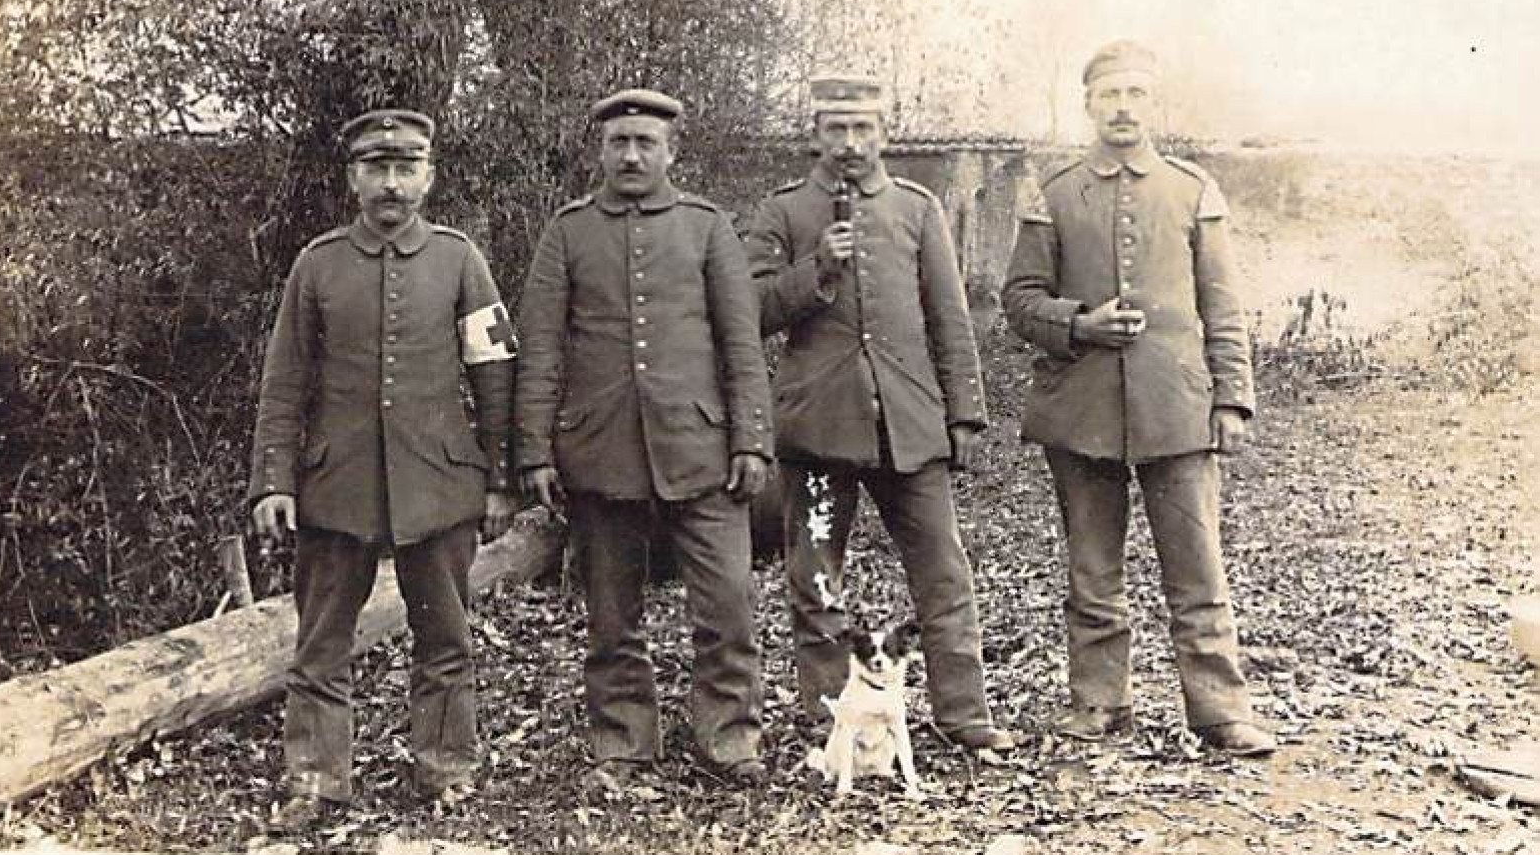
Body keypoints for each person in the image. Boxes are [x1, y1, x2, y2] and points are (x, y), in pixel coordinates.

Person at [1000, 40, 1277, 757]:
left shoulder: (1191, 191)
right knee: (1091, 568)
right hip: (1080, 410)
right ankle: (1098, 703)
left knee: (1196, 565)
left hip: (1177, 408)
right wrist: (1078, 324)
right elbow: (1018, 302)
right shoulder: (1055, 194)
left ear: (1153, 104)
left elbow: (1223, 305)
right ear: (1087, 105)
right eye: (1108, 96)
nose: (1122, 108)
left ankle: (1218, 710)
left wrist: (1231, 399)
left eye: (1135, 94)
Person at [249, 108, 518, 825]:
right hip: (336, 488)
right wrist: (273, 481)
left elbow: (495, 377)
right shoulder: (318, 264)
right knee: (320, 643)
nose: (391, 184)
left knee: (445, 637)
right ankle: (315, 775)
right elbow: (284, 382)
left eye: (406, 169)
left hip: (440, 484)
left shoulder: (460, 260)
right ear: (353, 178)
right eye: (377, 168)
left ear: (428, 177)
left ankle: (444, 767)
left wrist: (499, 479)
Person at [745, 74, 1013, 762]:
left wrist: (962, 417)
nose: (850, 143)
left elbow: (948, 320)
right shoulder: (782, 213)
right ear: (814, 135)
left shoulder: (916, 210)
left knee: (942, 574)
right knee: (815, 579)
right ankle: (831, 719)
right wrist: (813, 269)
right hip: (817, 431)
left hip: (909, 428)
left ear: (884, 134)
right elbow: (748, 312)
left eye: (863, 128)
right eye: (835, 129)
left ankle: (964, 714)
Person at [512, 88, 772, 791]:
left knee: (726, 606)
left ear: (670, 151)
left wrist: (750, 440)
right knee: (610, 615)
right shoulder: (567, 232)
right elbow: (539, 350)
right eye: (618, 142)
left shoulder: (707, 227)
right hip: (598, 452)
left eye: (645, 143)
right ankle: (623, 742)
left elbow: (740, 345)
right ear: (599, 150)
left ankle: (729, 738)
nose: (630, 154)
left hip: (702, 449)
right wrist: (533, 450)